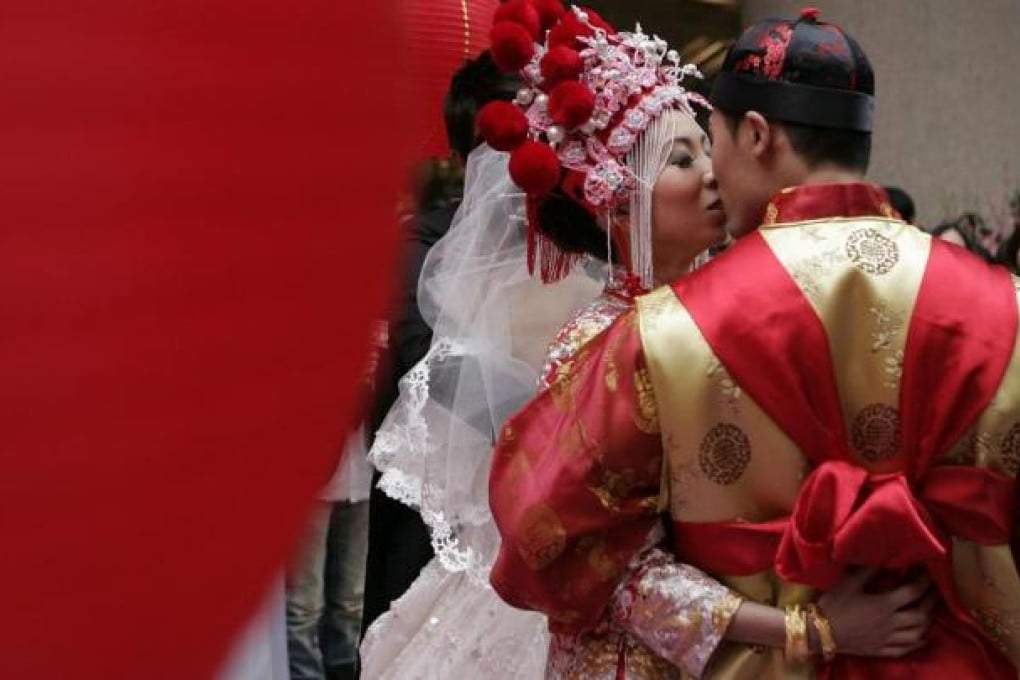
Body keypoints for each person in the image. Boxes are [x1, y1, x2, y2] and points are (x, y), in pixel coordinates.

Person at [490, 7, 1020, 679]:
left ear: (758, 136)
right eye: (685, 158)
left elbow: (551, 529)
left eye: (711, 143)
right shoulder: (1004, 304)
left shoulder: (674, 328)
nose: (712, 172)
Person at [360, 50, 522, 637]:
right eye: (495, 146)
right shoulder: (419, 252)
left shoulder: (580, 248)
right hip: (432, 534)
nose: (516, 164)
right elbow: (423, 363)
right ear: (461, 159)